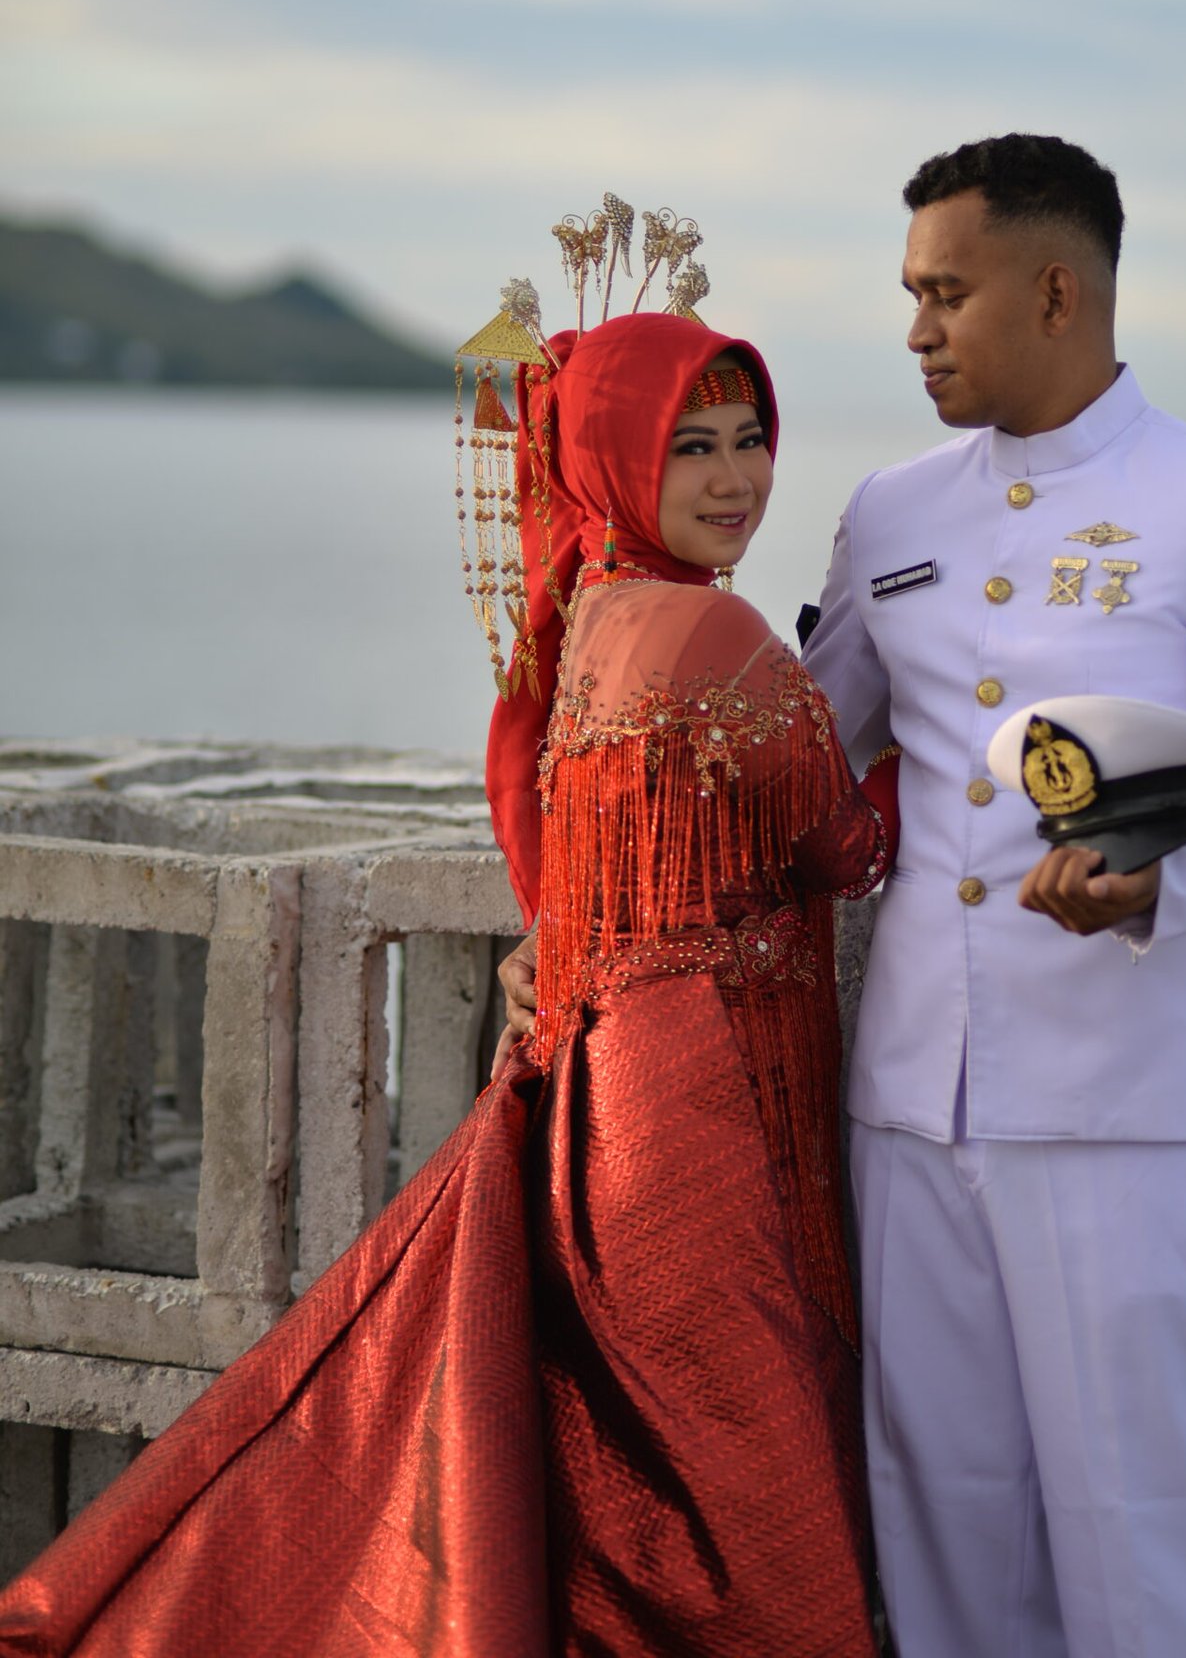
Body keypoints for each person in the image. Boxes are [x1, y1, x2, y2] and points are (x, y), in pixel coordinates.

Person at [0, 308, 890, 1658]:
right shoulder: (722, 636)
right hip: (703, 1114)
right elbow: (849, 848)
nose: (736, 479)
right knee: (732, 1498)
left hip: (598, 1093)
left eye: (749, 439)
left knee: (637, 1482)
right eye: (692, 447)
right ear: (613, 462)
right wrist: (953, 743)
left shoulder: (588, 622)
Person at [802, 132, 1186, 1658]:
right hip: (919, 1102)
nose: (917, 332)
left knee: (1151, 1537)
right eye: (911, 297)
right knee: (944, 1528)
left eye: (946, 295)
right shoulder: (890, 512)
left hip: (1133, 1103)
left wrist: (1152, 887)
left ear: (1057, 291)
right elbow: (799, 757)